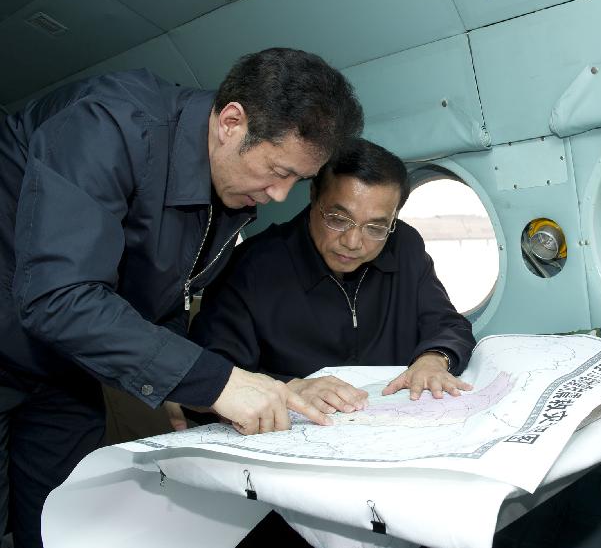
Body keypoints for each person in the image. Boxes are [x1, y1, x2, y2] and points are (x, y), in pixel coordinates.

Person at [0, 47, 363, 547]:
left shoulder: (227, 189)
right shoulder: (106, 123)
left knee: (62, 521)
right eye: (278, 171)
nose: (280, 195)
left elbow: (155, 304)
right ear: (232, 122)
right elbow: (59, 296)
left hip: (66, 366)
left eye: (296, 182)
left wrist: (232, 388)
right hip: (17, 330)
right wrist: (215, 383)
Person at [188, 137, 476, 418]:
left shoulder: (404, 246)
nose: (353, 242)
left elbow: (448, 324)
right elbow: (213, 371)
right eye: (338, 220)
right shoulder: (250, 266)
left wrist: (434, 359)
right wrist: (290, 388)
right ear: (314, 196)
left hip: (388, 422)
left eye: (375, 227)